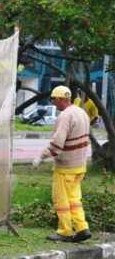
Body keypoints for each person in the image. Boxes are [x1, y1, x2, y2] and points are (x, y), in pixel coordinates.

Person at [32, 85, 92, 242]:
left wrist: (41, 156)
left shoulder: (65, 116)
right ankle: (82, 228)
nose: (53, 103)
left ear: (60, 99)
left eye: (53, 99)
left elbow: (57, 143)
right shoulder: (81, 113)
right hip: (80, 165)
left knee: (62, 201)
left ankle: (64, 231)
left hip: (66, 166)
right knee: (74, 199)